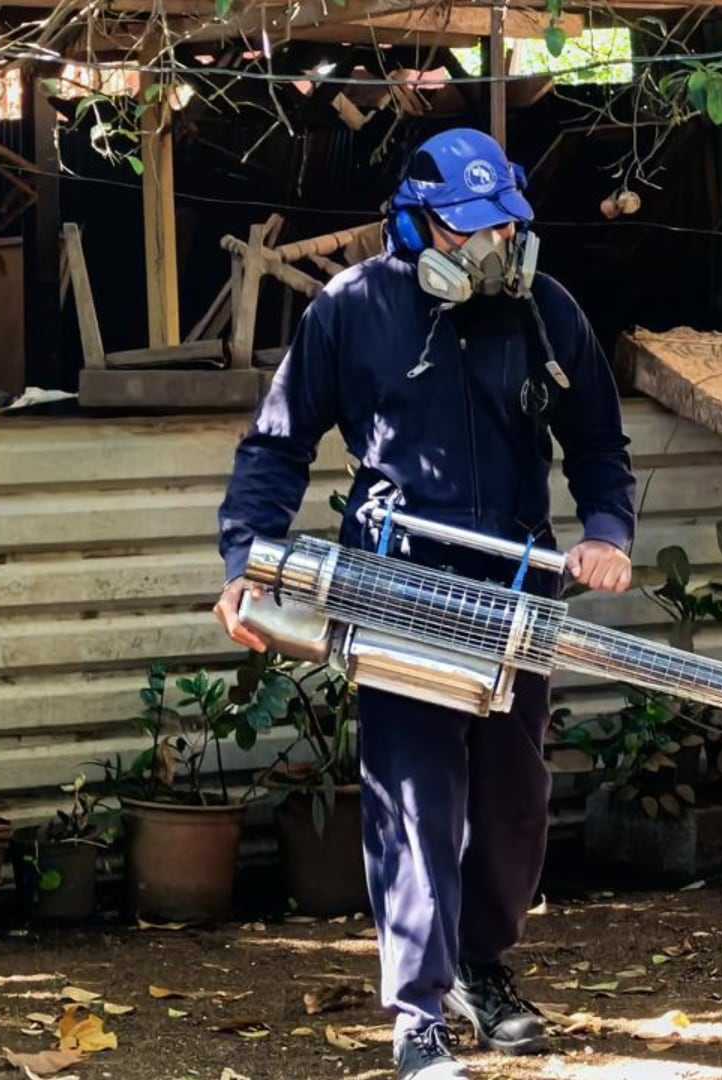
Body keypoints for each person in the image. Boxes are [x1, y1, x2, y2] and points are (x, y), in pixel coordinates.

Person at [213, 128, 638, 1080]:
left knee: (514, 798)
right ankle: (418, 1014)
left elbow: (601, 444)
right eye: (464, 233)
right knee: (414, 797)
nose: (488, 251)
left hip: (516, 586)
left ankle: (479, 967)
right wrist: (248, 559)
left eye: (504, 229)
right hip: (400, 586)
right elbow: (277, 448)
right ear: (414, 224)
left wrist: (606, 532)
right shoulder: (352, 311)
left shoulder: (545, 311)